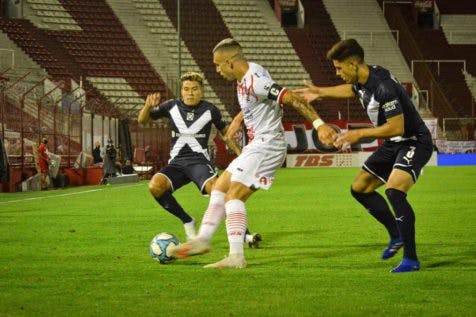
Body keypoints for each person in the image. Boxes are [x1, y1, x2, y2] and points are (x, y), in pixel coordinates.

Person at [172, 38, 337, 268]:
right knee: (220, 187)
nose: (217, 71)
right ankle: (203, 240)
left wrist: (320, 125)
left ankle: (236, 256)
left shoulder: (255, 81)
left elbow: (292, 98)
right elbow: (254, 103)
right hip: (257, 145)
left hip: (267, 145)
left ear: (230, 62)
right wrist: (239, 120)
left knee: (234, 196)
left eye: (218, 65)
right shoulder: (247, 76)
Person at [295, 39, 433, 273]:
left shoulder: (384, 87)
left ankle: (411, 259)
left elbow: (397, 127)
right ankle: (396, 235)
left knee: (394, 191)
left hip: (414, 141)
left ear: (353, 63)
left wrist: (359, 134)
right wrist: (320, 92)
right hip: (393, 144)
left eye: (339, 68)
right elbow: (351, 89)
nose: (337, 73)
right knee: (360, 188)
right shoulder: (364, 78)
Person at [138, 71, 261, 245]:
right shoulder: (170, 106)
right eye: (186, 89)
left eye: (194, 89)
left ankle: (244, 234)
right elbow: (142, 121)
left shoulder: (211, 110)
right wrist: (147, 106)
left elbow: (226, 134)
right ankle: (187, 220)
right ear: (181, 91)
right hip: (177, 164)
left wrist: (242, 155)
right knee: (155, 186)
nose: (190, 93)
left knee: (221, 192)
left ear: (201, 91)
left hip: (199, 163)